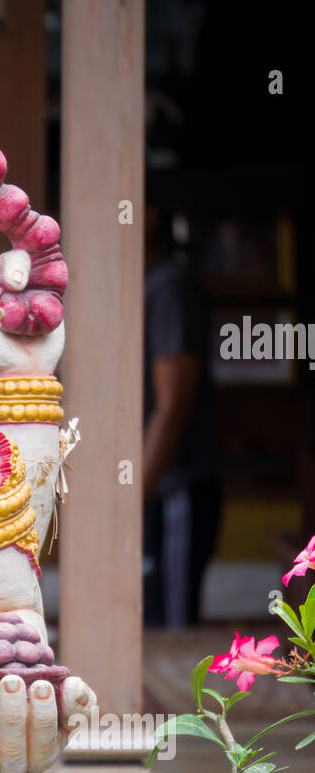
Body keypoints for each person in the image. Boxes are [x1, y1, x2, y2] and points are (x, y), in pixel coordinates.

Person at [143, 205, 221, 626]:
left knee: (170, 634)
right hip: (153, 492)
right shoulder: (139, 287)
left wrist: (131, 499)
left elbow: (173, 406)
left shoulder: (167, 287)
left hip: (175, 491)